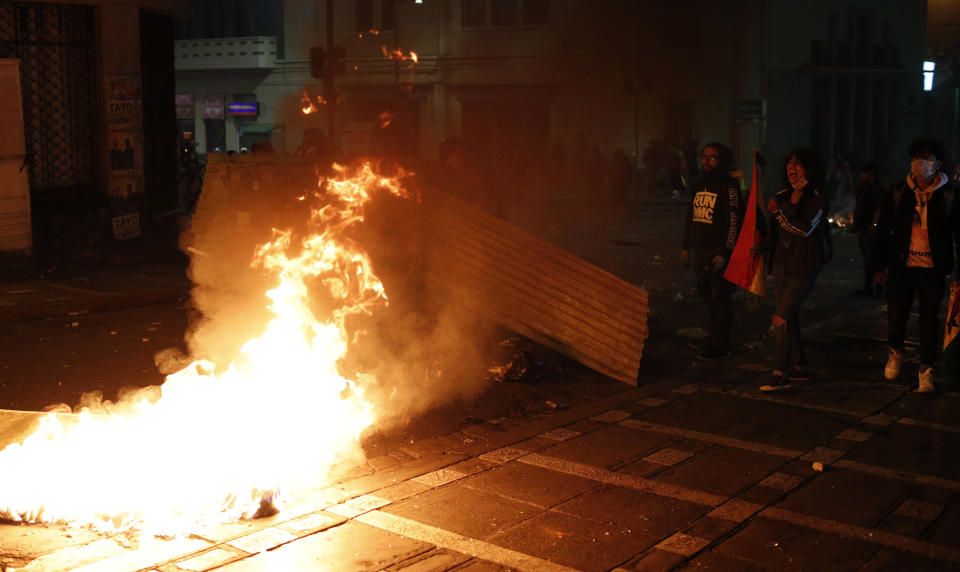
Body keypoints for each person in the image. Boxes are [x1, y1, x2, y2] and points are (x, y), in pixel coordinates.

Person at [873, 137, 958, 393]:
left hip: (933, 270)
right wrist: (878, 265)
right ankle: (895, 352)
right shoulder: (899, 191)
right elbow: (883, 230)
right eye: (917, 157)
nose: (921, 163)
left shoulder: (950, 195)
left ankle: (926, 371)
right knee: (896, 316)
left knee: (929, 321)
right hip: (901, 267)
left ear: (938, 163)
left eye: (927, 158)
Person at [761, 149, 829, 391]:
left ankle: (780, 371)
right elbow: (774, 234)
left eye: (798, 164)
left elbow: (804, 230)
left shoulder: (818, 199)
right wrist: (760, 247)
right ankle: (800, 365)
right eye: (789, 163)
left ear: (809, 169)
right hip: (781, 266)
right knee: (790, 318)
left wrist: (778, 214)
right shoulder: (781, 196)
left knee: (780, 318)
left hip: (804, 267)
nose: (792, 168)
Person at [681, 142, 743, 360]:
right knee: (708, 296)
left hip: (717, 251)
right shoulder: (700, 184)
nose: (706, 161)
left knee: (720, 298)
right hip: (699, 250)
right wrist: (686, 246)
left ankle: (720, 344)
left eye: (713, 157)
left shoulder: (730, 186)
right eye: (704, 156)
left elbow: (734, 222)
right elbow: (691, 216)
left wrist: (725, 253)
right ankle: (713, 337)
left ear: (723, 160)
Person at [852, 164, 886, 296]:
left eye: (864, 173)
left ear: (871, 174)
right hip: (863, 228)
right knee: (867, 259)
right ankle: (869, 286)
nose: (861, 176)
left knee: (874, 259)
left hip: (871, 230)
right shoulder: (865, 188)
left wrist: (874, 225)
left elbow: (879, 208)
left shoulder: (876, 189)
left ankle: (878, 287)